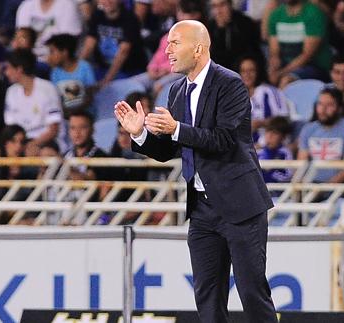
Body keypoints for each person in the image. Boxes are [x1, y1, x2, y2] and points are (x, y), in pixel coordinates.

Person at [114, 20, 277, 323]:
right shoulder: (176, 91)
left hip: (240, 206)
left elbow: (224, 140)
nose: (167, 50)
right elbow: (169, 149)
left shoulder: (230, 84)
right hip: (201, 209)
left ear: (199, 48)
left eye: (175, 43)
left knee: (252, 293)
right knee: (207, 296)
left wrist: (177, 129)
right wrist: (140, 135)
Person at [298, 87, 344, 184]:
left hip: (339, 189)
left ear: (340, 109)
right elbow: (301, 164)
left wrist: (324, 189)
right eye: (320, 104)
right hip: (311, 186)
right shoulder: (308, 129)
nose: (323, 110)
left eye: (329, 105)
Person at [4, 49, 63, 149]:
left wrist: (34, 144)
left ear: (19, 69)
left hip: (47, 141)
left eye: (9, 68)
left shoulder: (47, 89)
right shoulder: (11, 92)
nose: (6, 73)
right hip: (21, 142)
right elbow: (11, 128)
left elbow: (53, 129)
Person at [80, 0, 147, 87]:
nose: (107, 1)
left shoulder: (131, 19)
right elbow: (89, 45)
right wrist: (76, 70)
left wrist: (106, 81)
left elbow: (123, 52)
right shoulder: (97, 15)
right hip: (102, 68)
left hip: (128, 71)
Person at [267, 0, 331, 88]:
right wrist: (273, 70)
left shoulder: (314, 13)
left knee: (286, 81)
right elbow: (274, 53)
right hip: (285, 67)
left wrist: (280, 73)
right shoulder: (276, 14)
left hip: (314, 67)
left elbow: (307, 55)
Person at [237, 54, 291, 147]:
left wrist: (261, 123)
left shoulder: (270, 92)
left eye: (251, 71)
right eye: (243, 71)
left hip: (269, 147)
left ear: (258, 72)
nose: (247, 75)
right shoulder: (235, 96)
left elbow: (284, 120)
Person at [45, 33, 97, 115]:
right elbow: (58, 99)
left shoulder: (84, 67)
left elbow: (90, 95)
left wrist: (76, 112)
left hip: (87, 114)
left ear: (64, 52)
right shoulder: (55, 73)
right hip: (67, 116)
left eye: (52, 52)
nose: (49, 56)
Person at [208, 0, 263, 70]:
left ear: (230, 5)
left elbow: (249, 52)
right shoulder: (210, 27)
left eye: (222, 5)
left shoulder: (246, 24)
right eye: (214, 6)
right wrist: (221, 30)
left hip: (243, 70)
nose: (218, 11)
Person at [257, 116, 294, 184]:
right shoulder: (258, 153)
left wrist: (269, 173)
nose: (270, 136)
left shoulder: (284, 153)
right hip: (260, 191)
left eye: (275, 133)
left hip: (277, 191)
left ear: (283, 137)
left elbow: (288, 176)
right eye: (267, 131)